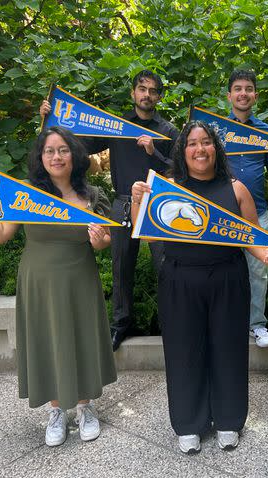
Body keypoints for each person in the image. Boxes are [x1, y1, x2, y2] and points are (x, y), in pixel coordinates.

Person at [0, 126, 117, 447]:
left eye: (63, 150)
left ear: (75, 155)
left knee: (80, 336)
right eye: (49, 150)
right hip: (38, 280)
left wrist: (100, 239)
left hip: (80, 277)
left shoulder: (92, 196)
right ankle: (55, 413)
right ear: (40, 157)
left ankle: (85, 408)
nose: (56, 156)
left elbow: (103, 242)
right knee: (47, 339)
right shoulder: (23, 192)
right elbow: (0, 235)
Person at [130, 120, 268, 454]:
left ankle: (228, 420)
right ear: (183, 152)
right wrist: (137, 199)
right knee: (184, 351)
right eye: (193, 144)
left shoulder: (236, 189)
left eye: (207, 142)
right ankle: (189, 423)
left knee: (228, 348)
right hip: (180, 279)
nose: (200, 149)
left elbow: (253, 238)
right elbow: (146, 234)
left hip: (228, 277)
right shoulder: (168, 188)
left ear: (216, 148)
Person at [40, 70, 179, 350]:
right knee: (121, 267)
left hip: (158, 206)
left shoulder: (168, 131)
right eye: (142, 89)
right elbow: (78, 145)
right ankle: (121, 325)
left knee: (166, 268)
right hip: (123, 203)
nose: (147, 95)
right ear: (133, 93)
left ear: (159, 97)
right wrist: (48, 120)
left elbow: (181, 171)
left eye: (153, 91)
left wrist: (155, 152)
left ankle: (173, 326)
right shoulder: (117, 126)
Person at [225, 69, 268, 347]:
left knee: (259, 269)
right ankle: (225, 322)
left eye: (248, 88)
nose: (243, 93)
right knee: (223, 269)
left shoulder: (266, 131)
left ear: (255, 95)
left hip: (258, 212)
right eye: (237, 88)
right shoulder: (216, 128)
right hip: (223, 213)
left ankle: (257, 326)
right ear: (229, 96)